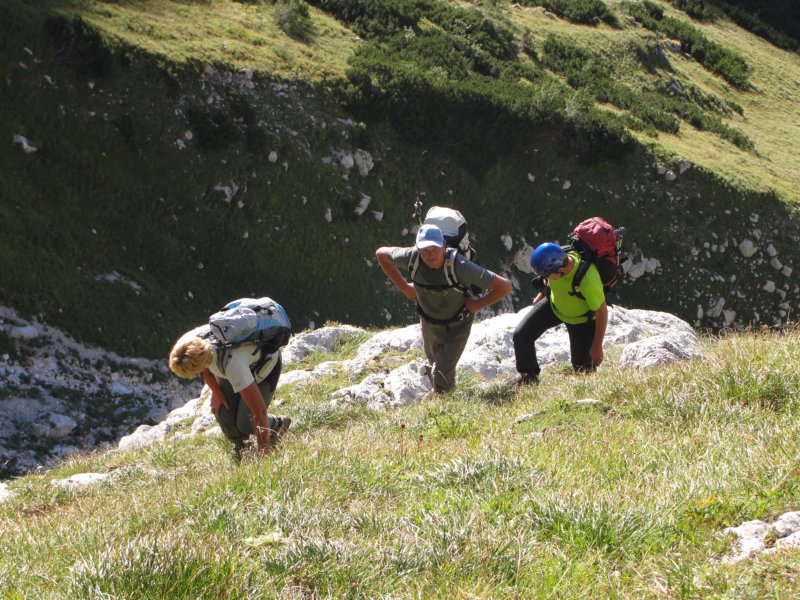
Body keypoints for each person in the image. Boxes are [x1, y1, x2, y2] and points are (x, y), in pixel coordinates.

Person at [376, 224, 512, 393]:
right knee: (435, 365)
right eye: (425, 250)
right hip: (428, 323)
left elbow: (504, 286)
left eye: (435, 248)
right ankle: (444, 396)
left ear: (444, 246)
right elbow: (381, 254)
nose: (431, 254)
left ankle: (445, 404)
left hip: (458, 326)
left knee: (440, 374)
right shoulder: (412, 258)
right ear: (418, 249)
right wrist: (405, 288)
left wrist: (476, 304)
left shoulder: (459, 265)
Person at [168, 322, 291, 460]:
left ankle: (278, 425)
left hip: (263, 367)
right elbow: (205, 368)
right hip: (232, 363)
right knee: (222, 409)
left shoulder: (232, 364)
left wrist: (264, 455)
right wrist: (216, 392)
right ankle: (242, 446)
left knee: (246, 421)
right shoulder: (190, 344)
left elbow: (259, 411)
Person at [512, 242, 608, 385]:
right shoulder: (560, 258)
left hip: (581, 321)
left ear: (560, 269)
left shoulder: (587, 280)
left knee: (583, 371)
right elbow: (549, 280)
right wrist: (542, 293)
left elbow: (602, 312)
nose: (546, 278)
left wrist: (597, 346)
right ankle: (528, 378)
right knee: (521, 336)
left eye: (547, 275)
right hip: (554, 305)